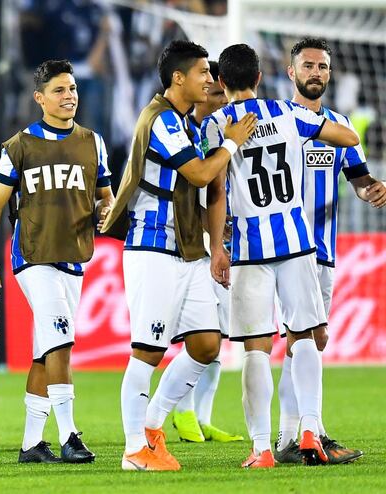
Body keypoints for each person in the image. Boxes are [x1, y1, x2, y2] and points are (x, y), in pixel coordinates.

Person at [99, 40, 257, 471]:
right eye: (204, 72)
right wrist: (230, 143)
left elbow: (201, 196)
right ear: (178, 78)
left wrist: (216, 245)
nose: (211, 79)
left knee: (206, 344)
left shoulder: (185, 123)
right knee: (147, 351)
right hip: (153, 249)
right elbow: (201, 174)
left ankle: (152, 427)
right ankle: (135, 449)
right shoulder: (162, 120)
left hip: (185, 251)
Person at [201, 43, 359, 468]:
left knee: (255, 349)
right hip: (296, 242)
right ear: (258, 78)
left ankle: (262, 449)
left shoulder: (215, 125)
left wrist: (217, 247)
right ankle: (309, 430)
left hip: (250, 251)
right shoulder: (287, 113)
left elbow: (215, 191)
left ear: (220, 82)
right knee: (305, 336)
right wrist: (315, 126)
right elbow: (350, 137)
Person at [0, 59, 112, 464]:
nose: (69, 95)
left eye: (71, 88)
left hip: (74, 257)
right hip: (33, 256)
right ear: (39, 98)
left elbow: (106, 197)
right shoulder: (19, 146)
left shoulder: (93, 142)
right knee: (60, 338)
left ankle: (31, 444)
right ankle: (70, 433)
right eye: (58, 90)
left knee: (44, 349)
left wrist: (105, 211)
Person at [274, 37, 383, 465]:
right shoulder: (278, 121)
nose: (316, 72)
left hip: (323, 250)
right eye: (308, 66)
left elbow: (358, 178)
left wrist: (371, 189)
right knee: (305, 338)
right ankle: (302, 433)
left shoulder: (339, 127)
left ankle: (295, 434)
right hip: (281, 248)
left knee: (305, 343)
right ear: (291, 72)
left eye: (322, 66)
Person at [171, 60, 244, 444]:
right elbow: (194, 188)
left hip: (222, 241)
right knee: (204, 334)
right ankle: (181, 412)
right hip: (192, 245)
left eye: (224, 93)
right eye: (216, 93)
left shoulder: (220, 132)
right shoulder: (188, 134)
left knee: (220, 335)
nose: (221, 100)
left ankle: (201, 416)